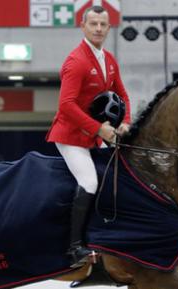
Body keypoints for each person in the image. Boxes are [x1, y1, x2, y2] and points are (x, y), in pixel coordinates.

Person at [46, 5, 132, 267]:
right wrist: (99, 129)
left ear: (108, 27)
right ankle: (74, 248)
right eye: (93, 24)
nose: (98, 29)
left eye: (102, 25)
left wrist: (125, 123)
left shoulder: (109, 60)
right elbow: (66, 106)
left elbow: (123, 95)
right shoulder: (76, 61)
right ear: (82, 26)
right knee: (90, 182)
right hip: (71, 136)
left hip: (94, 137)